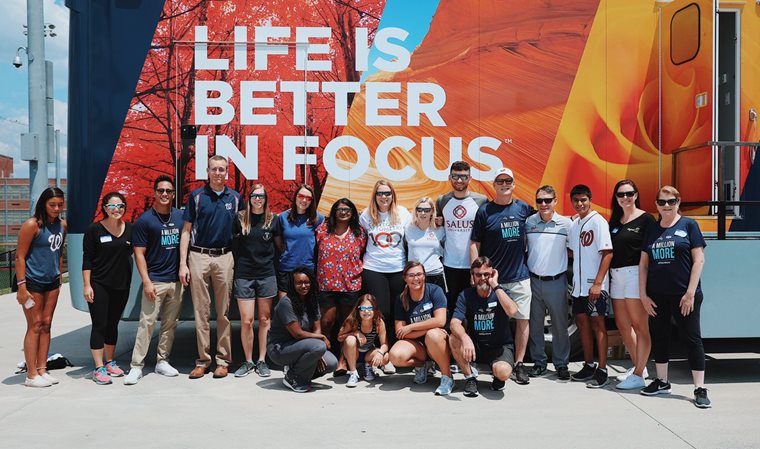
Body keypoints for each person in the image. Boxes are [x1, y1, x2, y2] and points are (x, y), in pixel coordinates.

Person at [639, 186, 711, 408]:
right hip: (657, 296)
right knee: (660, 337)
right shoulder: (652, 229)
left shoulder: (689, 225)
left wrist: (690, 293)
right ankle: (662, 381)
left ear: (679, 202)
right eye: (662, 202)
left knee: (691, 339)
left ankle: (699, 388)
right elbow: (643, 265)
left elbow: (699, 260)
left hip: (684, 296)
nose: (666, 206)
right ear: (657, 205)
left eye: (671, 201)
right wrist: (643, 295)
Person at [179, 155, 243, 379]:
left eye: (222, 169)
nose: (218, 173)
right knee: (201, 312)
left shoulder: (235, 198)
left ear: (227, 172)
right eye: (214, 169)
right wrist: (183, 264)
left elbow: (242, 232)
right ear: (207, 171)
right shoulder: (197, 197)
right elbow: (186, 231)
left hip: (225, 257)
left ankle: (223, 361)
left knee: (223, 313)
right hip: (198, 256)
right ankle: (203, 361)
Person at [469, 167, 533, 385]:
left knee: (522, 320)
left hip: (519, 277)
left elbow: (544, 222)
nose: (504, 184)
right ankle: (493, 361)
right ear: (494, 185)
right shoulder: (485, 211)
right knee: (493, 321)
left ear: (514, 184)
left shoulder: (524, 208)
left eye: (508, 181)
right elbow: (475, 243)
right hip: (493, 279)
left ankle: (519, 364)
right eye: (500, 181)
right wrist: (475, 274)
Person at [124, 176, 184, 385]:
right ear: (154, 193)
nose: (165, 194)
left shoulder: (180, 217)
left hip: (176, 282)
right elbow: (138, 254)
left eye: (168, 191)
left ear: (173, 194)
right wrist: (147, 281)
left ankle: (162, 361)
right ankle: (136, 366)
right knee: (147, 323)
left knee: (170, 324)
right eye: (161, 190)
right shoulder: (145, 221)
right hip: (155, 281)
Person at [15, 187, 66, 388]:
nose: (56, 208)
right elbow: (19, 257)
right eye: (52, 204)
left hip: (52, 281)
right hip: (32, 282)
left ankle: (43, 370)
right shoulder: (32, 225)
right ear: (43, 204)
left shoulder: (62, 225)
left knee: (46, 324)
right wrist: (21, 287)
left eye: (60, 205)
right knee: (34, 326)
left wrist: (60, 277)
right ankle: (31, 374)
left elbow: (59, 252)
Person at [359, 180, 412, 374]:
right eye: (380, 193)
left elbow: (418, 228)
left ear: (393, 195)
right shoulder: (366, 215)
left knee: (398, 313)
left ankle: (393, 354)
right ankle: (380, 354)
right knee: (382, 313)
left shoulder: (403, 213)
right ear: (375, 195)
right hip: (374, 268)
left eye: (387, 193)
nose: (384, 197)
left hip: (398, 268)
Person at [231, 184, 283, 378]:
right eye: (254, 195)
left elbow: (279, 246)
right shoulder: (239, 218)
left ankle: (262, 360)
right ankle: (248, 361)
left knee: (264, 320)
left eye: (261, 196)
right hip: (244, 274)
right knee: (246, 321)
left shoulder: (273, 219)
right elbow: (233, 244)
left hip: (266, 274)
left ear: (266, 198)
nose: (258, 199)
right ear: (249, 197)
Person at [609, 179, 655, 390]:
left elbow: (649, 253)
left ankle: (638, 375)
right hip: (616, 275)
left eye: (629, 194)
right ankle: (640, 366)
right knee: (622, 324)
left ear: (636, 195)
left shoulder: (646, 220)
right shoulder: (615, 220)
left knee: (639, 325)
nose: (625, 198)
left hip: (635, 274)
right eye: (621, 194)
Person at [450, 257, 519, 397]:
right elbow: (454, 323)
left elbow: (512, 311)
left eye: (486, 274)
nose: (483, 278)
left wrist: (495, 285)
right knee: (454, 338)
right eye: (478, 275)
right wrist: (464, 337)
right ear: (473, 276)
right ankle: (470, 378)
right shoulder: (466, 295)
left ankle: (498, 378)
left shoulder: (501, 292)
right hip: (475, 347)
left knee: (504, 371)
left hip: (499, 347)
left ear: (492, 274)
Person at [83, 192, 133, 385]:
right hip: (99, 284)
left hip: (121, 285)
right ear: (104, 208)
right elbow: (87, 259)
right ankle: (98, 367)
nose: (116, 209)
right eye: (112, 206)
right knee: (100, 324)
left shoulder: (130, 229)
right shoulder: (94, 230)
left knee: (113, 324)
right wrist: (87, 285)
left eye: (120, 205)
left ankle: (110, 361)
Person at [567, 184, 613, 388]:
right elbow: (573, 252)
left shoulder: (598, 221)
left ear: (590, 200)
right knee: (582, 325)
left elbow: (607, 252)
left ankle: (602, 369)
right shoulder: (576, 224)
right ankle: (588, 364)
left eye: (583, 199)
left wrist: (597, 283)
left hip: (595, 287)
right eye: (576, 200)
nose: (579, 203)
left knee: (598, 326)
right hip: (578, 287)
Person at [525, 185, 573, 380]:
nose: (543, 204)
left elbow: (573, 250)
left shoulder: (566, 224)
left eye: (547, 200)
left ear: (555, 201)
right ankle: (539, 363)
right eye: (539, 201)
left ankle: (562, 364)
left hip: (556, 281)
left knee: (560, 326)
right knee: (535, 325)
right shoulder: (529, 222)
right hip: (533, 281)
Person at [267, 267, 338, 393]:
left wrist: (317, 354)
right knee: (319, 346)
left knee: (332, 363)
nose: (304, 286)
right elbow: (298, 333)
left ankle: (298, 375)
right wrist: (320, 340)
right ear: (292, 284)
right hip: (280, 349)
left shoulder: (312, 300)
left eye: (307, 282)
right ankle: (292, 377)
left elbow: (317, 328)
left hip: (304, 345)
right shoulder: (286, 303)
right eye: (299, 283)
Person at [388, 262, 454, 395]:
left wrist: (411, 327)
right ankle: (422, 365)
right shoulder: (401, 299)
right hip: (417, 345)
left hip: (438, 341)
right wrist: (427, 327)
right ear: (405, 278)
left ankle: (447, 377)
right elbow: (400, 332)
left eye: (419, 274)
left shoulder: (435, 291)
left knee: (432, 335)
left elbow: (441, 321)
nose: (415, 278)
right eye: (411, 275)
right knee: (395, 356)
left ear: (425, 276)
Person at [315, 199, 367, 360]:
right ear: (334, 211)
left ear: (353, 214)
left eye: (348, 210)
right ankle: (323, 356)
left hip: (350, 284)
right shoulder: (322, 230)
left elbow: (362, 253)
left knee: (347, 324)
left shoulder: (359, 232)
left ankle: (344, 359)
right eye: (340, 209)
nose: (344, 213)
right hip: (326, 284)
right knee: (327, 321)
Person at [435, 161, 487, 313]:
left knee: (473, 309)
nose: (459, 180)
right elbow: (437, 224)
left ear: (470, 178)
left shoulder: (481, 200)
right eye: (455, 176)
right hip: (448, 265)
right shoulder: (442, 201)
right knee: (451, 307)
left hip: (473, 266)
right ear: (449, 177)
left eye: (463, 177)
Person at [277, 184, 324, 298]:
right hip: (287, 268)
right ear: (295, 197)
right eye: (301, 196)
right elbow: (278, 242)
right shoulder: (282, 217)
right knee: (286, 308)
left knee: (305, 310)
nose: (304, 200)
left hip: (307, 269)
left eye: (308, 198)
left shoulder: (318, 219)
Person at [337, 294, 389, 387]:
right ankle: (353, 373)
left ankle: (368, 366)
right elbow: (339, 337)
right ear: (358, 309)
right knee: (350, 339)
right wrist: (355, 333)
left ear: (375, 309)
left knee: (386, 357)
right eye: (363, 308)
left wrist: (380, 352)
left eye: (370, 308)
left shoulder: (378, 322)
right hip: (353, 352)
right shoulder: (352, 320)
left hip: (368, 352)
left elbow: (385, 344)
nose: (366, 311)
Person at [405, 197, 445, 290]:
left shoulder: (440, 229)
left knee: (438, 304)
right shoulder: (407, 228)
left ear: (432, 212)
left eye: (427, 210)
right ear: (416, 211)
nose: (423, 213)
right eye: (420, 210)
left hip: (435, 273)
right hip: (414, 275)